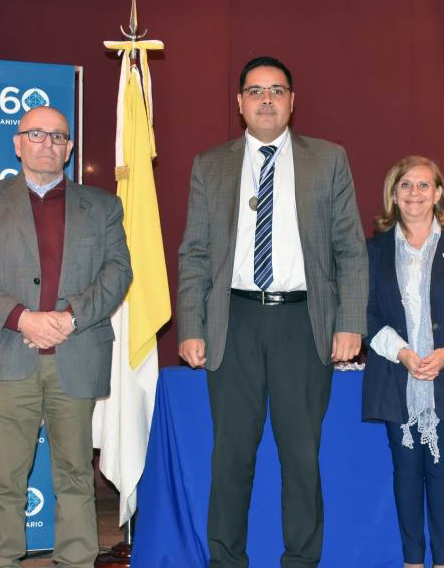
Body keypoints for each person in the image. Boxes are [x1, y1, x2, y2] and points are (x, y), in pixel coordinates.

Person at [176, 56, 368, 568]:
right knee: (230, 457)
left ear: (292, 101)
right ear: (238, 103)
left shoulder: (327, 159)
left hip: (302, 324)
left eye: (276, 90)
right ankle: (225, 561)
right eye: (255, 91)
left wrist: (350, 321)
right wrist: (191, 326)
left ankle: (301, 561)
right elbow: (194, 252)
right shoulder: (210, 163)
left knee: (301, 457)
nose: (266, 100)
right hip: (232, 322)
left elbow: (350, 248)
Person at [0, 106, 132, 568]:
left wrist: (71, 317)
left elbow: (118, 273)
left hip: (74, 355)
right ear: (18, 143)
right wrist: (20, 317)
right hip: (8, 354)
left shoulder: (104, 206)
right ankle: (1, 562)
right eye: (37, 134)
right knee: (5, 480)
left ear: (70, 148)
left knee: (75, 476)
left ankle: (76, 562)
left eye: (58, 137)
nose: (48, 144)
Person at [362, 156, 444, 568]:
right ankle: (412, 562)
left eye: (423, 185)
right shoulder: (375, 249)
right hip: (395, 374)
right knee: (405, 473)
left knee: (441, 475)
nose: (414, 193)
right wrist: (401, 352)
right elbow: (366, 312)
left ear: (438, 194)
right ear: (393, 195)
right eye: (405, 186)